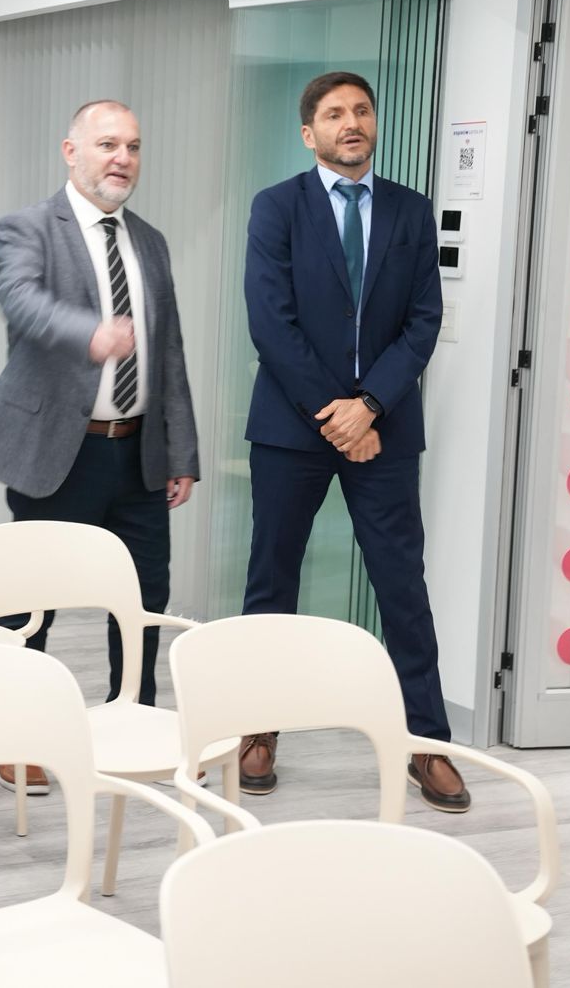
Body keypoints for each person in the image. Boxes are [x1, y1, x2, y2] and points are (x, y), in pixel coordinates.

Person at [238, 71, 466, 812]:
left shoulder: (410, 210)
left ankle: (426, 741)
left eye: (362, 110)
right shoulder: (277, 207)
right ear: (310, 133)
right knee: (272, 580)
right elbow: (270, 322)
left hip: (384, 428)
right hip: (291, 428)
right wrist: (333, 414)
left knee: (402, 584)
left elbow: (424, 322)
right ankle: (257, 727)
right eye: (334, 113)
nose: (351, 122)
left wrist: (368, 407)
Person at [0, 99, 199, 794]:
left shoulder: (149, 241)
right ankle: (16, 735)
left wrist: (181, 451)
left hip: (140, 453)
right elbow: (20, 299)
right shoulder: (29, 227)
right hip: (59, 451)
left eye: (133, 146)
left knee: (144, 599)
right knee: (32, 603)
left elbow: (169, 350)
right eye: (107, 144)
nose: (122, 158)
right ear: (71, 152)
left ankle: (137, 719)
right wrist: (88, 332)